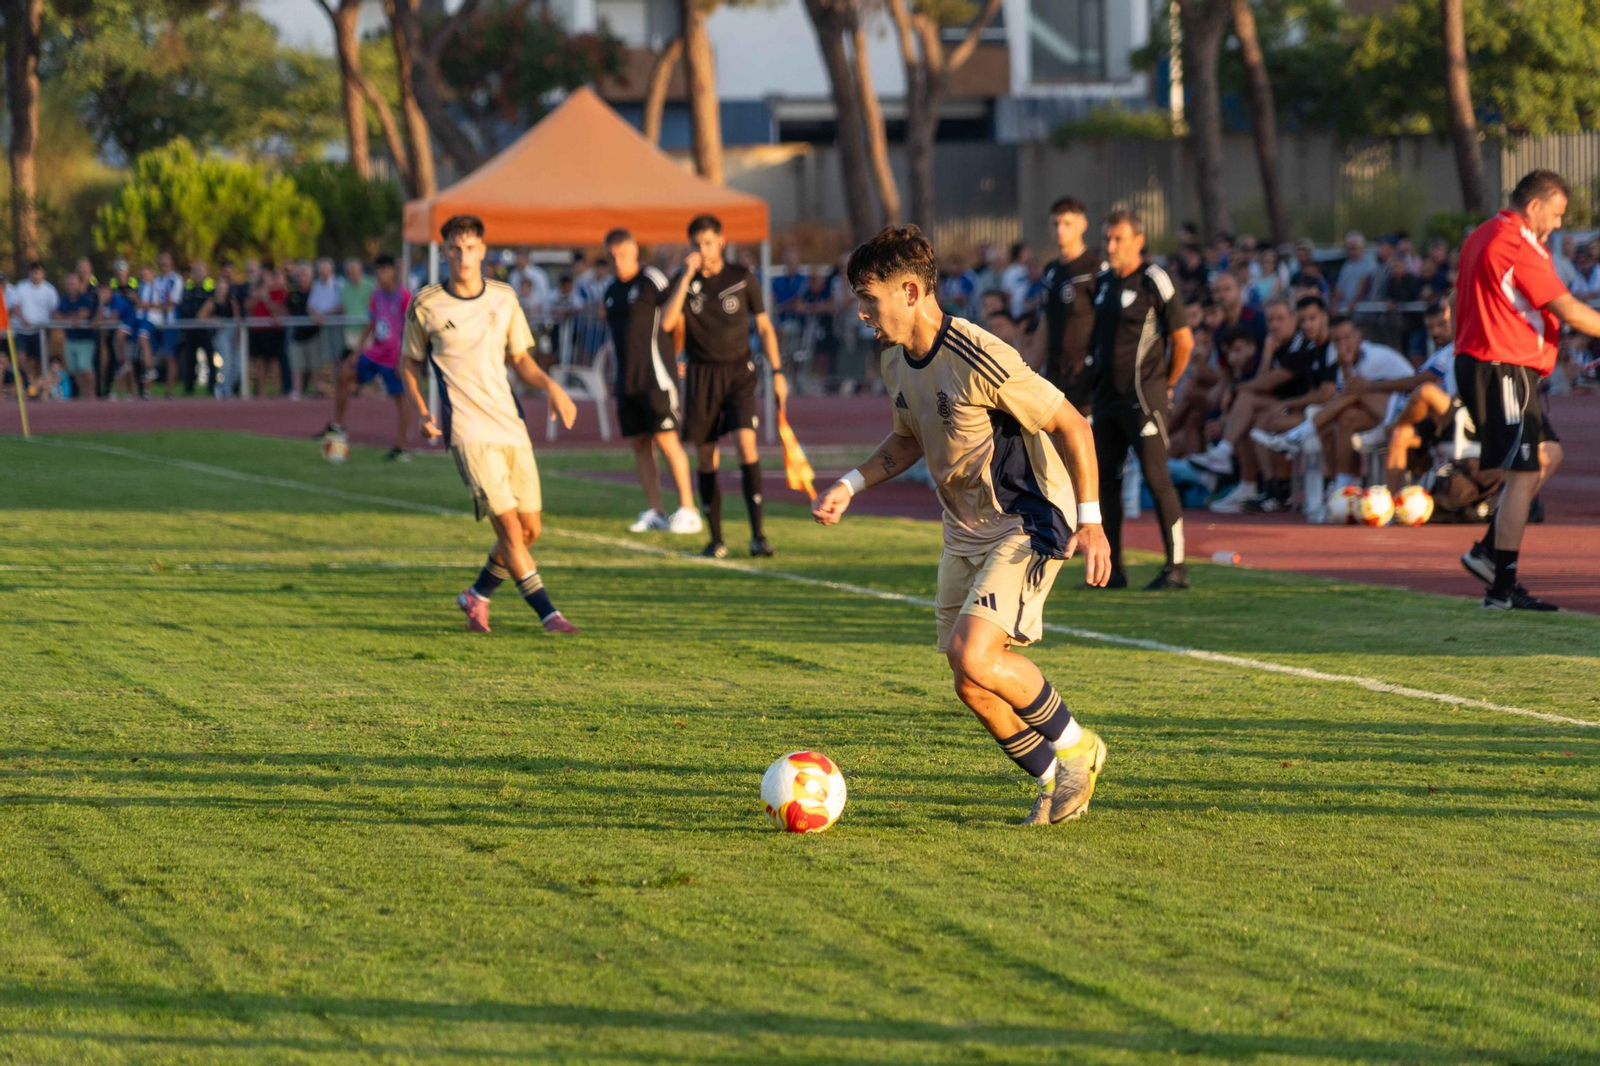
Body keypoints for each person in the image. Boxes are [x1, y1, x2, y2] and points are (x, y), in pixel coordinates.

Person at [810, 224, 1111, 826]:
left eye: (871, 299)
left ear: (913, 291)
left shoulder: (981, 355)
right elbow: (905, 443)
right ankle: (1055, 782)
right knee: (968, 681)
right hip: (963, 529)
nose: (863, 313)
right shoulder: (895, 360)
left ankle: (1081, 750)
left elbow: (1073, 424)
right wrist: (850, 483)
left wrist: (1092, 522)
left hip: (1024, 518)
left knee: (975, 654)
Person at [400, 215, 580, 634]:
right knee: (511, 531)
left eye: (470, 248)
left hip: (510, 424)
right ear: (444, 252)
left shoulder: (503, 297)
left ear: (483, 251)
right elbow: (408, 364)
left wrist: (552, 387)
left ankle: (477, 595)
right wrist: (423, 413)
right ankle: (549, 614)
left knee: (531, 528)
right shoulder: (426, 303)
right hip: (467, 430)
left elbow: (520, 359)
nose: (463, 257)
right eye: (454, 249)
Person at [1453, 170, 1600, 610]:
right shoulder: (1516, 242)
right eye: (1555, 214)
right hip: (1501, 366)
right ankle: (1503, 587)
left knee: (1546, 456)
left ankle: (1487, 553)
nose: (1558, 225)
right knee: (1521, 473)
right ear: (1533, 205)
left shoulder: (1482, 234)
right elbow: (1570, 309)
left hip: (1493, 362)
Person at [660, 214, 789, 559]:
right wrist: (686, 275)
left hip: (739, 374)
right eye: (696, 244)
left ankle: (758, 535)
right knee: (706, 455)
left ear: (721, 241)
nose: (703, 250)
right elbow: (669, 323)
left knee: (747, 446)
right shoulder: (683, 280)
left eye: (708, 243)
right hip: (702, 377)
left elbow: (763, 326)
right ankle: (716, 539)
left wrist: (777, 371)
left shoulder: (742, 277)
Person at [1086, 210, 1194, 590]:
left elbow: (1183, 339)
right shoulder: (1101, 282)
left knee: (1156, 478)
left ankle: (1176, 567)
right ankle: (1113, 570)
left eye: (1118, 238)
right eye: (1107, 238)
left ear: (1138, 241)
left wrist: (1166, 383)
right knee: (1106, 486)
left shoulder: (1154, 279)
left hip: (1143, 400)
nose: (1110, 246)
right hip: (1105, 400)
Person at [601, 228, 702, 536]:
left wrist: (680, 356)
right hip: (627, 381)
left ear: (634, 252)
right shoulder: (610, 291)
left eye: (624, 254)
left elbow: (676, 318)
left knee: (667, 440)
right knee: (640, 443)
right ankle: (656, 510)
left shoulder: (652, 280)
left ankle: (688, 509)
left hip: (657, 377)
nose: (618, 261)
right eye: (613, 255)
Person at [1250, 316, 1416, 493]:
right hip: (1380, 412)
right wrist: (1345, 367)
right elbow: (1344, 396)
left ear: (1358, 336)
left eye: (1347, 337)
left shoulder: (1374, 357)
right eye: (1337, 340)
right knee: (1346, 418)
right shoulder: (1344, 362)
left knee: (1354, 394)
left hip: (1406, 413)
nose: (1343, 344)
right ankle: (1343, 486)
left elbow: (1352, 390)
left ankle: (1296, 437)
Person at [329, 254, 412, 457]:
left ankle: (401, 447)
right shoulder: (376, 295)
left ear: (393, 271)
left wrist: (404, 359)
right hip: (375, 352)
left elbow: (411, 330)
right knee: (344, 374)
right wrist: (357, 352)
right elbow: (371, 322)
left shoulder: (405, 297)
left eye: (384, 270)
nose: (380, 275)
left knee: (401, 399)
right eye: (377, 271)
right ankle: (338, 427)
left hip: (394, 357)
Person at [1037, 196, 1100, 413]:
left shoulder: (1095, 266)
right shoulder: (1050, 271)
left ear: (1083, 225)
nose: (1060, 230)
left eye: (1067, 224)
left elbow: (1106, 319)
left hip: (1085, 373)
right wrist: (1031, 369)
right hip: (1055, 372)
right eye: (1055, 224)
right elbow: (1045, 322)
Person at [9, 261, 58, 385]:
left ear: (43, 273)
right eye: (33, 271)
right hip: (22, 330)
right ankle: (29, 381)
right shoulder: (21, 287)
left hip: (40, 332)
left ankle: (37, 385)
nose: (35, 275)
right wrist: (23, 319)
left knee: (40, 360)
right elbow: (16, 306)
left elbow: (53, 310)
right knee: (21, 357)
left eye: (38, 272)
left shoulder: (49, 290)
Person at [57, 272, 99, 401]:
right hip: (70, 339)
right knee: (75, 370)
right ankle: (84, 395)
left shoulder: (86, 298)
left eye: (73, 283)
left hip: (85, 340)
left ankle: (92, 395)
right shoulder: (64, 299)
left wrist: (68, 316)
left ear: (79, 284)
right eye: (68, 283)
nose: (71, 286)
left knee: (86, 368)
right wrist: (71, 317)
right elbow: (57, 314)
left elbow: (84, 314)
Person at [199, 276, 244, 399]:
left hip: (233, 333)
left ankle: (226, 386)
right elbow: (201, 316)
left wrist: (237, 336)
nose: (222, 289)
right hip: (220, 334)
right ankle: (225, 391)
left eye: (225, 286)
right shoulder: (212, 301)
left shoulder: (232, 301)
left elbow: (237, 319)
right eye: (220, 286)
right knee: (227, 361)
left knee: (238, 365)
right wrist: (213, 321)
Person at [340, 258, 375, 362]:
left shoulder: (371, 285)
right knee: (353, 362)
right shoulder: (345, 287)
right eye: (350, 271)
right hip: (351, 330)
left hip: (367, 330)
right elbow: (344, 307)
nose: (353, 273)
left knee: (369, 360)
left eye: (355, 270)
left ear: (360, 270)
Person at [999, 242, 1033, 319]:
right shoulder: (1010, 272)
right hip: (1016, 312)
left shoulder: (1029, 269)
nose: (1029, 254)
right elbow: (1006, 293)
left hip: (1029, 310)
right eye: (1026, 251)